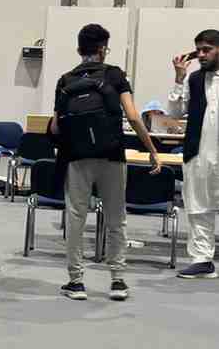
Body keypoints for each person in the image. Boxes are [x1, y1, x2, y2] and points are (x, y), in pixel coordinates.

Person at [49, 24, 161, 300]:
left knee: (75, 217)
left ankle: (76, 282)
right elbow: (133, 116)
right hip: (112, 155)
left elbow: (55, 127)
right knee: (116, 218)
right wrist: (152, 150)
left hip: (77, 157)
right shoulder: (115, 75)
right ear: (103, 49)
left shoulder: (65, 80)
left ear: (79, 49)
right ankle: (118, 281)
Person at [169, 30, 219, 279]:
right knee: (199, 208)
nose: (201, 55)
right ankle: (202, 260)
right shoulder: (194, 79)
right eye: (198, 50)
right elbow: (175, 113)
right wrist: (179, 79)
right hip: (199, 153)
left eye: (207, 49)